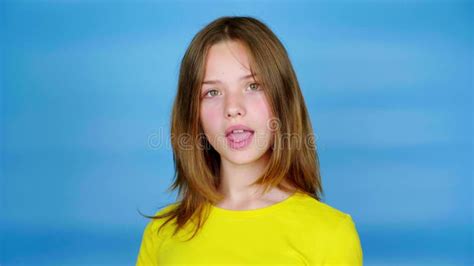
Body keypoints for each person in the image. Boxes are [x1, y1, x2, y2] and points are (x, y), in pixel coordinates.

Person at [136, 16, 363, 265]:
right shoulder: (162, 233)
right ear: (193, 115)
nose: (233, 108)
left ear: (283, 101)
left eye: (253, 86)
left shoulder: (331, 233)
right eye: (212, 92)